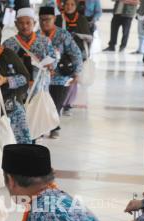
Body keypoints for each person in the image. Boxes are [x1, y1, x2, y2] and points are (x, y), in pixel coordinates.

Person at [39, 6, 83, 138]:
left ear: (54, 19)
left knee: (56, 104)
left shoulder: (63, 35)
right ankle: (40, 127)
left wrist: (77, 72)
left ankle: (54, 127)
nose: (44, 22)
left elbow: (76, 53)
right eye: (41, 20)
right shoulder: (35, 35)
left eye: (48, 19)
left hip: (60, 77)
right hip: (40, 78)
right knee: (41, 104)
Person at [3, 7, 56, 93]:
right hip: (17, 87)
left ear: (34, 23)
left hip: (40, 86)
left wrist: (51, 65)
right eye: (21, 23)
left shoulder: (45, 41)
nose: (25, 26)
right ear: (16, 24)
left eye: (28, 23)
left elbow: (53, 58)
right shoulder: (8, 43)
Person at [56, 0, 91, 116]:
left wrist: (78, 35)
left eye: (72, 4)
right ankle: (59, 103)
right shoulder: (58, 18)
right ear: (63, 5)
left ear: (76, 6)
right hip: (61, 54)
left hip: (77, 53)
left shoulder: (82, 19)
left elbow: (89, 38)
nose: (69, 7)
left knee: (73, 79)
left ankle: (68, 104)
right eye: (67, 4)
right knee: (61, 77)